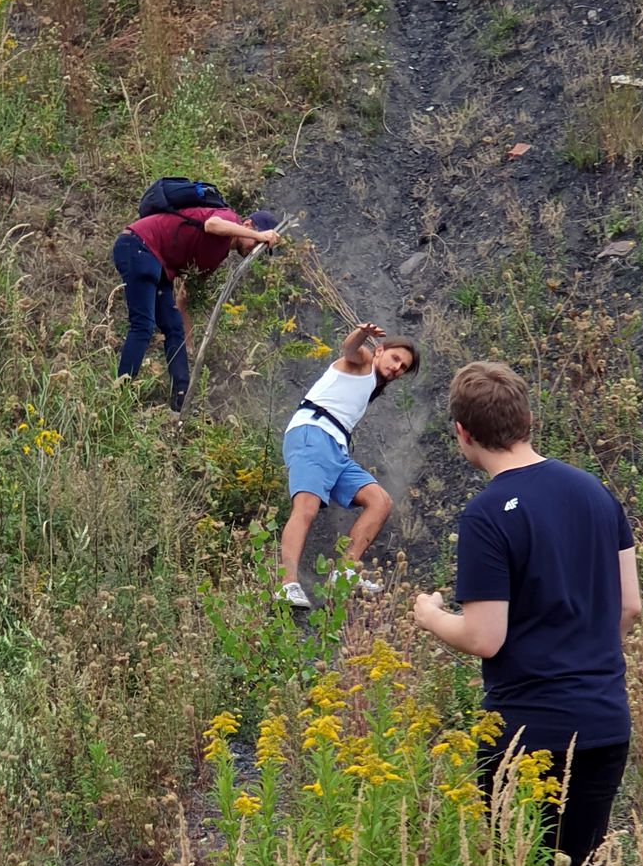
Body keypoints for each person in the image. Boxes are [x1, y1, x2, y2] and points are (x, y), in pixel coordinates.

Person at [412, 361, 641, 866]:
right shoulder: (596, 492)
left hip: (528, 731)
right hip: (603, 721)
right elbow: (631, 606)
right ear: (528, 419)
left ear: (461, 433)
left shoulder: (487, 516)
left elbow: (485, 637)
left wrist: (431, 614)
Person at [279, 322, 419, 610]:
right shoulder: (365, 361)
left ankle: (345, 573)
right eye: (395, 359)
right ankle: (286, 585)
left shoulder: (371, 382)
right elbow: (349, 349)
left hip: (335, 446)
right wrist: (362, 334)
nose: (397, 368)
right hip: (312, 433)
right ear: (380, 351)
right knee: (306, 507)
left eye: (403, 368)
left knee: (379, 501)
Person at [113, 194, 280, 408]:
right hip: (138, 246)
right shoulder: (226, 217)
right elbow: (212, 224)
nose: (253, 251)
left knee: (174, 327)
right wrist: (260, 234)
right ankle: (119, 397)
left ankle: (180, 403)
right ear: (247, 225)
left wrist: (189, 344)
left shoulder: (215, 256)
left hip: (156, 261)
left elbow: (185, 296)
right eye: (256, 244)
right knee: (143, 325)